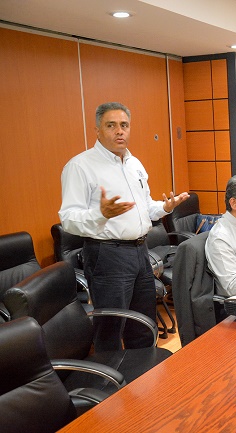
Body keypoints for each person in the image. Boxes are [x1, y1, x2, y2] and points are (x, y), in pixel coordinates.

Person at [59, 102, 189, 351]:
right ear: (97, 130)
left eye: (124, 125)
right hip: (107, 254)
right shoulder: (80, 166)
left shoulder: (134, 163)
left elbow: (145, 207)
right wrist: (100, 215)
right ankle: (108, 376)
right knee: (112, 326)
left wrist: (164, 208)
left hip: (140, 251)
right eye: (111, 125)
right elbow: (68, 219)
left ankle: (145, 372)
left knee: (143, 323)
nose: (119, 131)